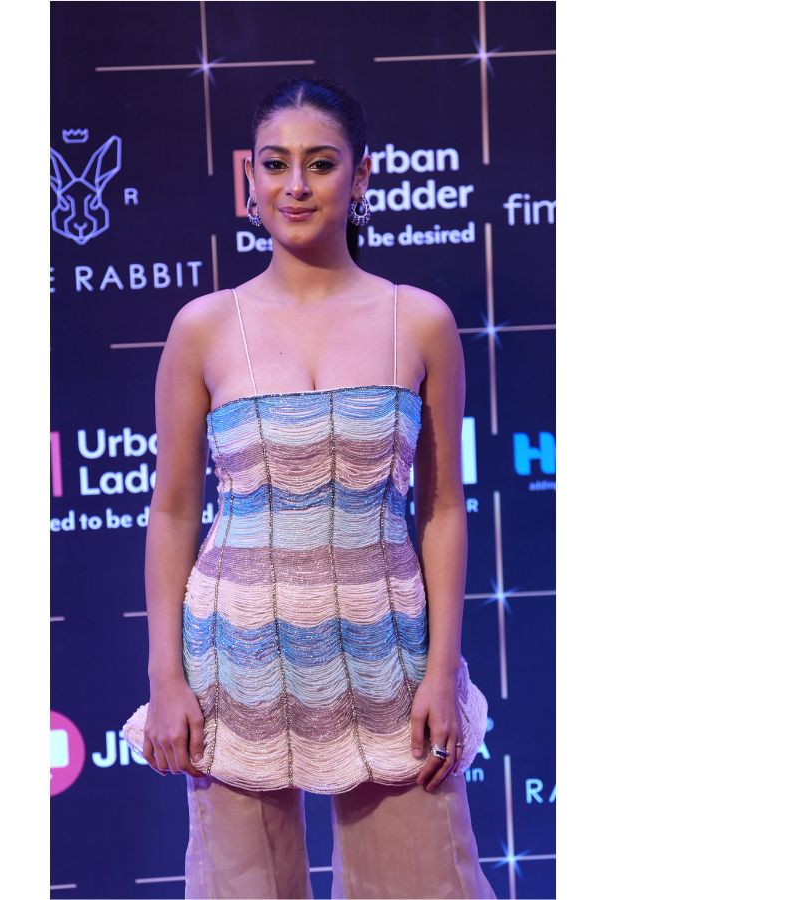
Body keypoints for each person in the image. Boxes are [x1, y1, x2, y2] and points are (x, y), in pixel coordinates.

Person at [123, 76, 496, 899]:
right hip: (233, 661)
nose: (296, 185)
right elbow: (174, 510)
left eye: (321, 164)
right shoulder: (203, 328)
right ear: (247, 178)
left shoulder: (421, 320)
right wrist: (164, 677)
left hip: (389, 655)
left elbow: (440, 510)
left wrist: (441, 671)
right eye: (275, 163)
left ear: (360, 178)